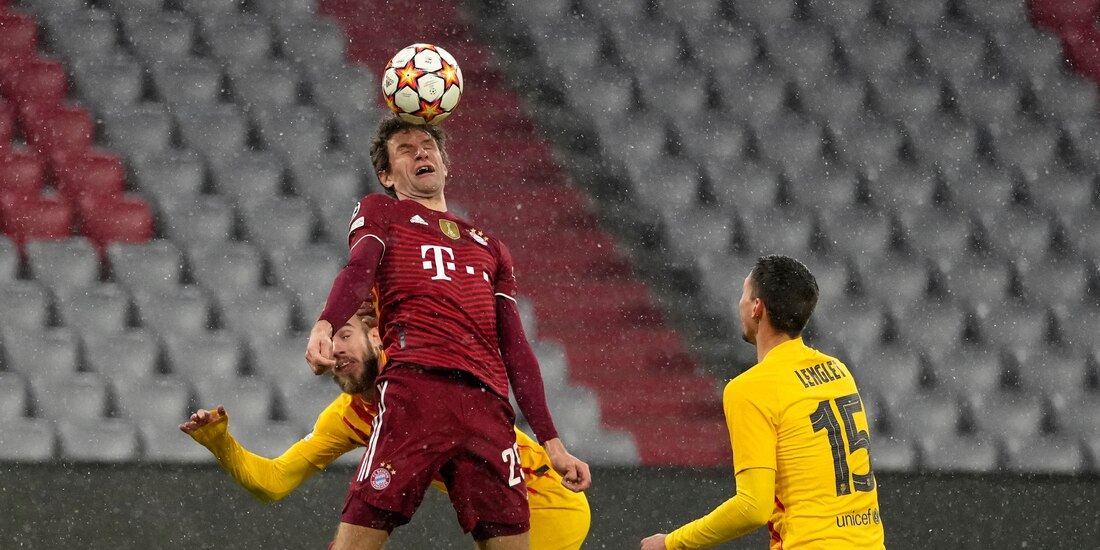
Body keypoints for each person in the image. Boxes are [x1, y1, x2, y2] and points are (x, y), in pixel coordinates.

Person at [304, 116, 590, 550]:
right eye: (405, 149)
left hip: (487, 410)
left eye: (427, 145)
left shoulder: (489, 246)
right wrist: (326, 325)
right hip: (414, 392)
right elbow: (360, 268)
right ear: (386, 175)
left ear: (444, 162)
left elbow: (515, 347)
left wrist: (552, 443)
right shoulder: (382, 211)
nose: (421, 152)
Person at [180, 314, 590, 550]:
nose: (336, 348)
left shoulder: (421, 365)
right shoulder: (344, 418)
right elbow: (273, 481)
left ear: (377, 336)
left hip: (548, 500)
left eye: (345, 336)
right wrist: (222, 445)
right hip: (502, 516)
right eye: (330, 342)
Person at [641, 255, 885, 550]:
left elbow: (753, 507)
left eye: (745, 294)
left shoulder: (750, 389)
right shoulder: (838, 371)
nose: (741, 304)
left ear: (757, 307)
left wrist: (671, 542)